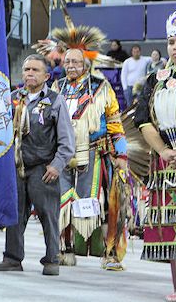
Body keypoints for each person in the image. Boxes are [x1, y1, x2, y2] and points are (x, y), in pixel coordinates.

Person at [37, 24, 129, 271]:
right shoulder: (57, 88)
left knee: (107, 202)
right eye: (67, 62)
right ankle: (64, 249)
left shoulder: (101, 87)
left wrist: (121, 153)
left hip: (95, 153)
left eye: (76, 62)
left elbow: (114, 121)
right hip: (63, 155)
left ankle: (110, 254)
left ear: (86, 64)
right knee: (62, 203)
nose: (70, 66)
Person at [0, 55, 75, 276]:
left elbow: (67, 141)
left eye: (35, 70)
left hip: (43, 167)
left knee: (48, 214)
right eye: (26, 69)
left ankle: (52, 259)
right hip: (16, 166)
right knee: (14, 214)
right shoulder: (12, 98)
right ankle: (12, 258)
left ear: (46, 76)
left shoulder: (56, 101)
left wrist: (57, 165)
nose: (29, 73)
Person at [133, 10, 176, 301]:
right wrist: (164, 150)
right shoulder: (156, 80)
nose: (175, 47)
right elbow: (143, 120)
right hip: (167, 164)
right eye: (171, 41)